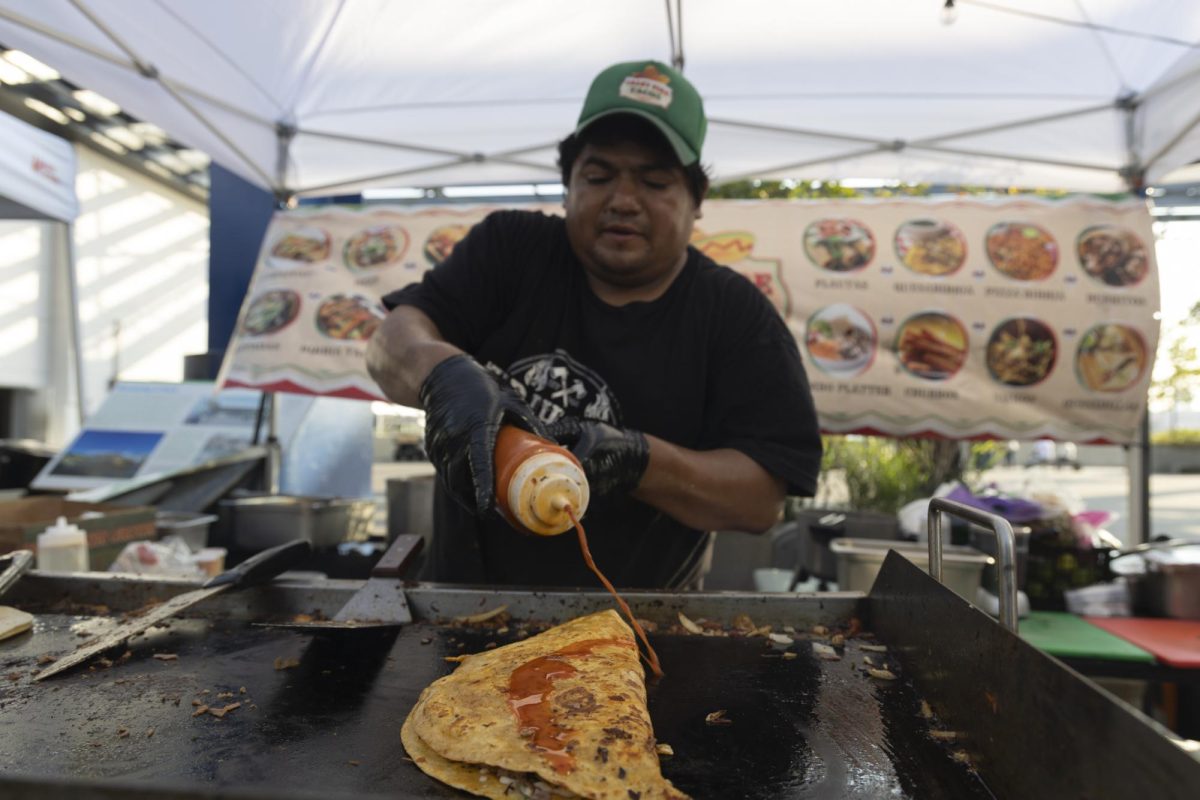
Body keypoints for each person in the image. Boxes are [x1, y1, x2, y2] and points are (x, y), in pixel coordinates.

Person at [366, 59, 822, 589]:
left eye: (654, 181)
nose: (623, 201)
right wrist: (441, 376)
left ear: (697, 202)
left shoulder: (735, 315)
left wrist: (639, 462)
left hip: (639, 627)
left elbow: (761, 500)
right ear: (567, 187)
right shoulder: (511, 250)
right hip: (462, 604)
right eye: (599, 176)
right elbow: (391, 340)